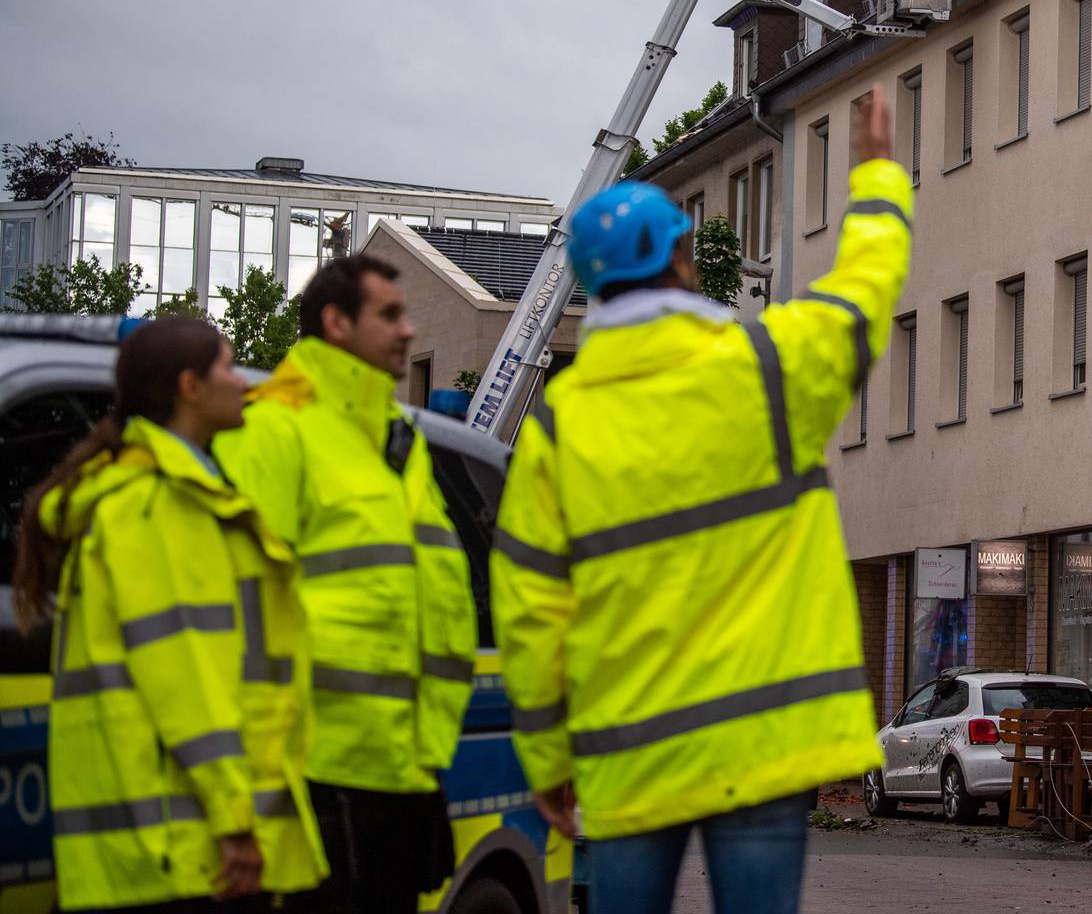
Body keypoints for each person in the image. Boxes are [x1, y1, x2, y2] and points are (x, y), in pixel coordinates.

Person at [492, 87, 913, 914]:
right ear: (683, 257)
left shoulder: (556, 429)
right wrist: (875, 179)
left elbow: (530, 616)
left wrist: (546, 762)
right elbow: (866, 287)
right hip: (763, 743)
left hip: (630, 753)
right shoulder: (766, 369)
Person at [14, 319, 325, 913]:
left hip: (168, 848)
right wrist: (236, 823)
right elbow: (184, 678)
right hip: (179, 852)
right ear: (190, 388)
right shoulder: (155, 506)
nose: (244, 383)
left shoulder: (170, 493)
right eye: (229, 367)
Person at [215, 255, 474, 914]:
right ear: (335, 322)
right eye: (389, 315)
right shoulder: (273, 426)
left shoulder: (391, 439)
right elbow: (237, 611)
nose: (409, 331)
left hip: (400, 764)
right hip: (315, 775)